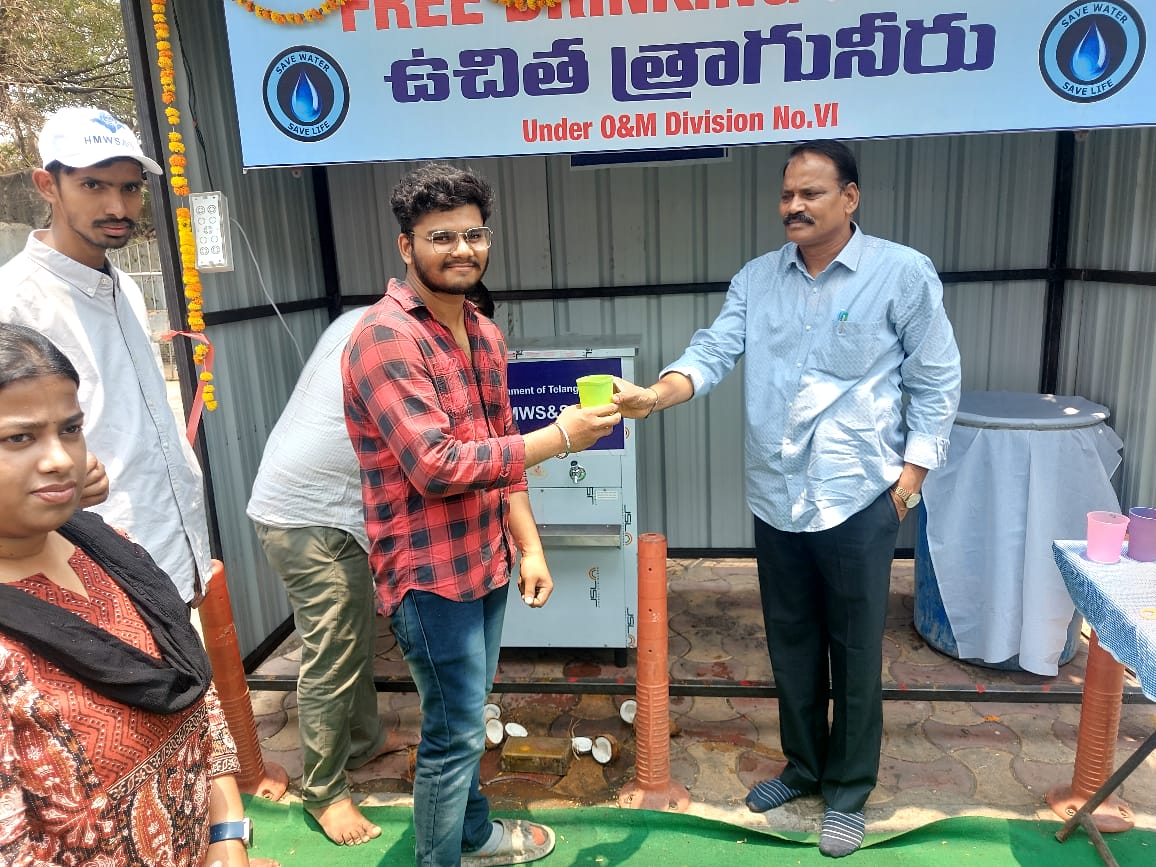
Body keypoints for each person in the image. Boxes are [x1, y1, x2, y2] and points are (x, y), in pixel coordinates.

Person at [614, 140, 961, 858]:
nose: (794, 207)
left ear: (851, 197)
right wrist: (654, 393)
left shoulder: (900, 274)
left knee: (857, 649)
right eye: (786, 196)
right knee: (793, 642)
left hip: (860, 495)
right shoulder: (756, 280)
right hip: (777, 497)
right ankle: (804, 766)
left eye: (811, 193)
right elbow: (713, 351)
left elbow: (936, 378)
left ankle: (848, 790)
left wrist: (912, 479)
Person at [342, 163, 620, 866]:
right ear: (406, 247)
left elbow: (502, 454)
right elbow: (435, 465)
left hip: (485, 561)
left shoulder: (484, 335)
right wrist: (561, 436)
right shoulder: (383, 338)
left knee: (462, 721)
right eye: (441, 237)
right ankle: (442, 856)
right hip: (429, 574)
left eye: (474, 233)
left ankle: (472, 832)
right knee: (453, 732)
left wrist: (529, 547)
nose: (462, 249)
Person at [0, 322, 273, 867]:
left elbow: (197, 699)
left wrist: (228, 835)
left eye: (70, 430)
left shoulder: (113, 550)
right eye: (19, 437)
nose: (59, 459)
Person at [0, 106, 211, 604]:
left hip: (167, 548)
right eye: (93, 186)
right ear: (47, 186)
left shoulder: (127, 289)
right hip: (87, 560)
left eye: (130, 188)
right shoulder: (14, 301)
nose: (118, 206)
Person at [247, 307, 417, 846]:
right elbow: (427, 456)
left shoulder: (361, 317)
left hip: (307, 507)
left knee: (352, 637)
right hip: (310, 518)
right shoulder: (400, 347)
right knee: (332, 655)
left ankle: (365, 740)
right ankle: (324, 793)